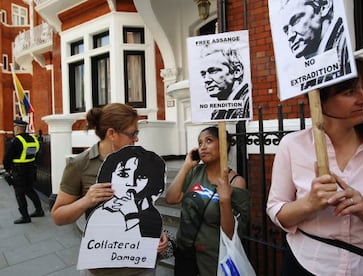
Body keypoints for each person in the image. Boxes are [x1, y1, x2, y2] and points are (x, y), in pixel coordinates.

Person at [266, 58, 363, 275]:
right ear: (321, 99)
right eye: (350, 92)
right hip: (307, 264)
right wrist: (309, 203)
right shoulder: (292, 146)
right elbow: (276, 209)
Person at [50, 103, 168, 276]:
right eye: (132, 133)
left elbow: (147, 205)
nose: (136, 139)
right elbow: (58, 216)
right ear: (112, 133)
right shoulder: (80, 164)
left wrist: (156, 232)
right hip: (102, 269)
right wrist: (85, 201)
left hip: (141, 266)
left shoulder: (144, 161)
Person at [166, 126, 250, 276]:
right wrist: (186, 166)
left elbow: (231, 233)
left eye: (209, 141)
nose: (203, 147)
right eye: (200, 143)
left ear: (225, 145)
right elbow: (171, 198)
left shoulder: (236, 182)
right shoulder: (195, 173)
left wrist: (225, 200)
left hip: (213, 258)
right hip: (185, 253)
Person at [280, 0, 350, 75]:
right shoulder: (309, 73)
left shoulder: (347, 44)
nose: (290, 36)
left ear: (324, 6)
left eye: (296, 20)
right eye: (286, 31)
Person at [3, 119, 44, 224]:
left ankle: (25, 216)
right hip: (31, 169)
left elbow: (7, 158)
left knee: (19, 194)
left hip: (19, 171)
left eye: (14, 128)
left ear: (17, 128)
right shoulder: (34, 139)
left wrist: (7, 170)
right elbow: (36, 153)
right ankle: (39, 210)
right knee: (30, 190)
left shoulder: (15, 141)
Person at [199, 47, 250, 120]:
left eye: (213, 71)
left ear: (237, 71)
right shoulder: (217, 113)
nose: (206, 80)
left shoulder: (249, 101)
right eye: (203, 74)